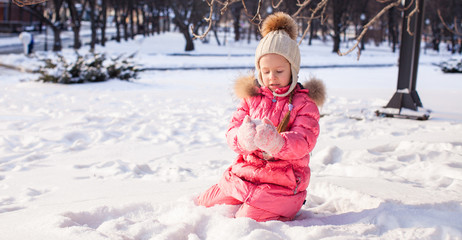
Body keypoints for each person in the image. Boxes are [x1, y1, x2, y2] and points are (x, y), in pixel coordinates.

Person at [196, 12, 326, 222]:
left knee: (246, 221)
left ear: (293, 70)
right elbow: (232, 130)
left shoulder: (304, 105)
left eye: (279, 70)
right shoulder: (252, 98)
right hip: (245, 174)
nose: (271, 77)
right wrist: (242, 138)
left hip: (281, 184)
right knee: (203, 204)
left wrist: (277, 142)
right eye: (265, 71)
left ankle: (267, 212)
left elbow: (304, 140)